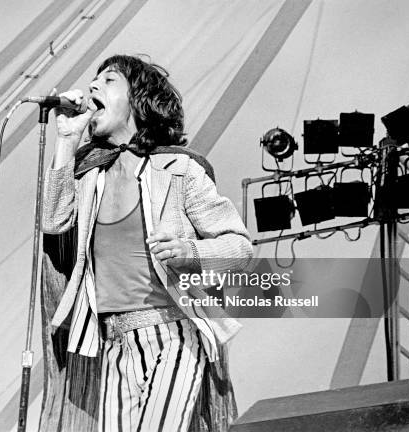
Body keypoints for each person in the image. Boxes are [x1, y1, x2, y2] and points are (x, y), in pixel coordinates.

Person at [41, 54, 252, 432]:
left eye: (108, 81)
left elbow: (239, 248)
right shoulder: (90, 174)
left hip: (172, 333)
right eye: (93, 81)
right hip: (112, 343)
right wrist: (66, 141)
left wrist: (192, 252)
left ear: (138, 100)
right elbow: (54, 221)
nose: (92, 87)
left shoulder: (179, 170)